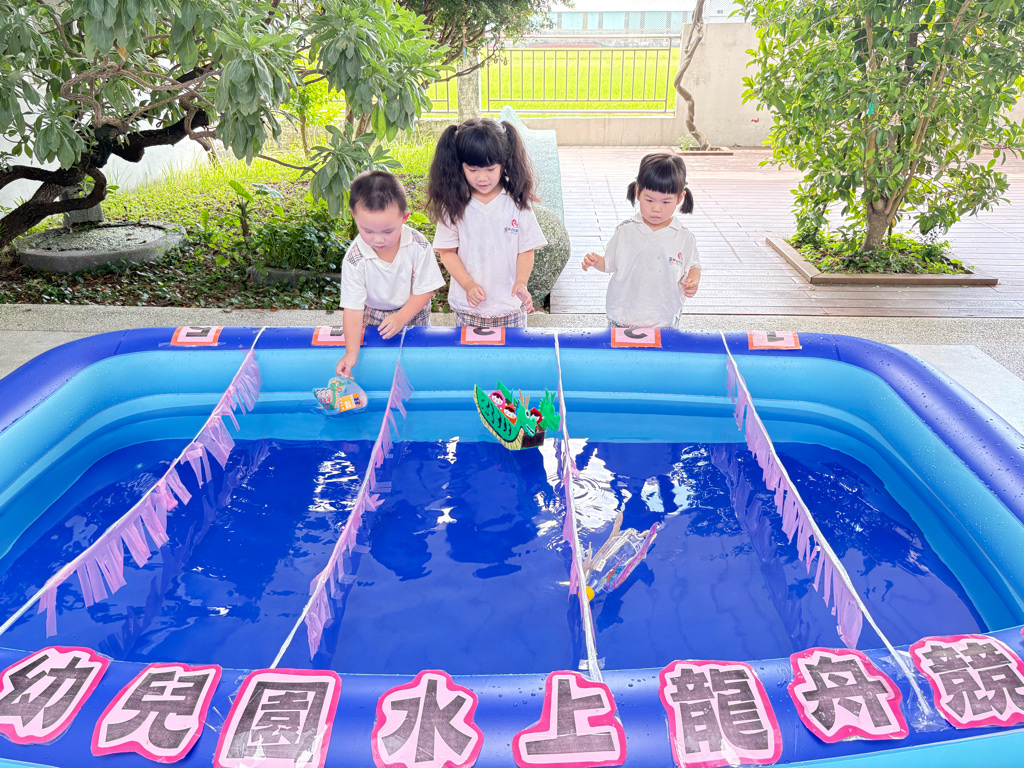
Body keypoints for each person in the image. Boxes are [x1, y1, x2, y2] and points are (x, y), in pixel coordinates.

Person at [427, 118, 548, 327]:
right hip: (468, 310)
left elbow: (526, 250)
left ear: (504, 163)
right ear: (460, 166)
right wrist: (468, 284)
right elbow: (447, 253)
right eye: (472, 170)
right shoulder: (454, 205)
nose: (482, 178)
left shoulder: (517, 204)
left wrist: (521, 282)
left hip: (511, 309)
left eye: (490, 169)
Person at [336, 170, 445, 377]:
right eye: (367, 231)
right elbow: (353, 309)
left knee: (416, 360)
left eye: (388, 231)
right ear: (353, 216)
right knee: (378, 360)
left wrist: (402, 317)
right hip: (373, 313)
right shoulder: (355, 259)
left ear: (404, 218)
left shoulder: (418, 245)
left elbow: (426, 289)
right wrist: (351, 353)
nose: (378, 240)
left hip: (413, 309)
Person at [581, 153, 702, 328]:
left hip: (664, 320)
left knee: (661, 348)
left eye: (666, 202)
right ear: (638, 193)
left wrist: (693, 280)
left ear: (680, 198)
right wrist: (595, 261)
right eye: (649, 200)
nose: (656, 208)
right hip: (622, 317)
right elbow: (608, 263)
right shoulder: (625, 230)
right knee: (619, 347)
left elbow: (693, 266)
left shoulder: (683, 237)